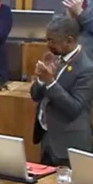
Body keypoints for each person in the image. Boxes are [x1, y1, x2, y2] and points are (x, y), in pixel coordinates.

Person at [30, 16, 93, 166]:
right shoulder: (55, 58)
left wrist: (50, 81)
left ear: (69, 41)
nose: (48, 45)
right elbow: (35, 96)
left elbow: (74, 108)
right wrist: (40, 79)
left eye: (52, 41)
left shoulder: (87, 69)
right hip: (47, 140)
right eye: (47, 39)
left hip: (69, 145)